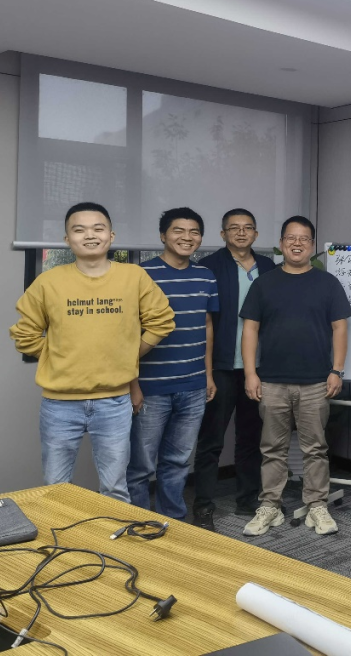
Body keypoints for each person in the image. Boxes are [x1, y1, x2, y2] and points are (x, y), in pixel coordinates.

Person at [9, 202, 175, 502]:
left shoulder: (134, 276)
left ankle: (112, 533)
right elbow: (24, 334)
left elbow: (162, 321)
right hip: (59, 404)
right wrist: (59, 353)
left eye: (98, 228)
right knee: (55, 487)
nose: (90, 235)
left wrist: (128, 355)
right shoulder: (48, 282)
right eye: (79, 229)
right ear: (67, 239)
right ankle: (60, 533)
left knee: (115, 488)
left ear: (111, 236)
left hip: (114, 402)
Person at [240, 216, 351, 537]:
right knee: (271, 449)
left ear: (312, 245)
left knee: (315, 449)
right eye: (291, 238)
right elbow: (250, 330)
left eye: (304, 238)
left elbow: (340, 328)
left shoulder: (328, 283)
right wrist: (250, 373)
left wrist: (337, 370)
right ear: (281, 243)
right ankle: (270, 506)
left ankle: (317, 505)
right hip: (271, 381)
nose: (297, 243)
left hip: (316, 382)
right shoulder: (264, 284)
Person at [126, 208, 219, 521]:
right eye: (178, 230)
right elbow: (127, 332)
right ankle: (139, 524)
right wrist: (132, 384)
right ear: (163, 236)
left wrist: (207, 375)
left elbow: (206, 325)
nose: (187, 237)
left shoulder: (205, 276)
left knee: (178, 463)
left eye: (194, 232)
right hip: (150, 388)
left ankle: (173, 523)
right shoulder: (141, 275)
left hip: (193, 387)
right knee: (141, 466)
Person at [191, 208, 276, 530]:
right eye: (234, 228)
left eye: (248, 228)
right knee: (211, 440)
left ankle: (247, 499)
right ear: (223, 234)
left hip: (258, 367)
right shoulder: (209, 267)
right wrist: (207, 372)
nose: (241, 233)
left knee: (251, 438)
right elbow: (203, 322)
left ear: (256, 234)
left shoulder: (268, 267)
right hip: (222, 367)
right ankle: (203, 505)